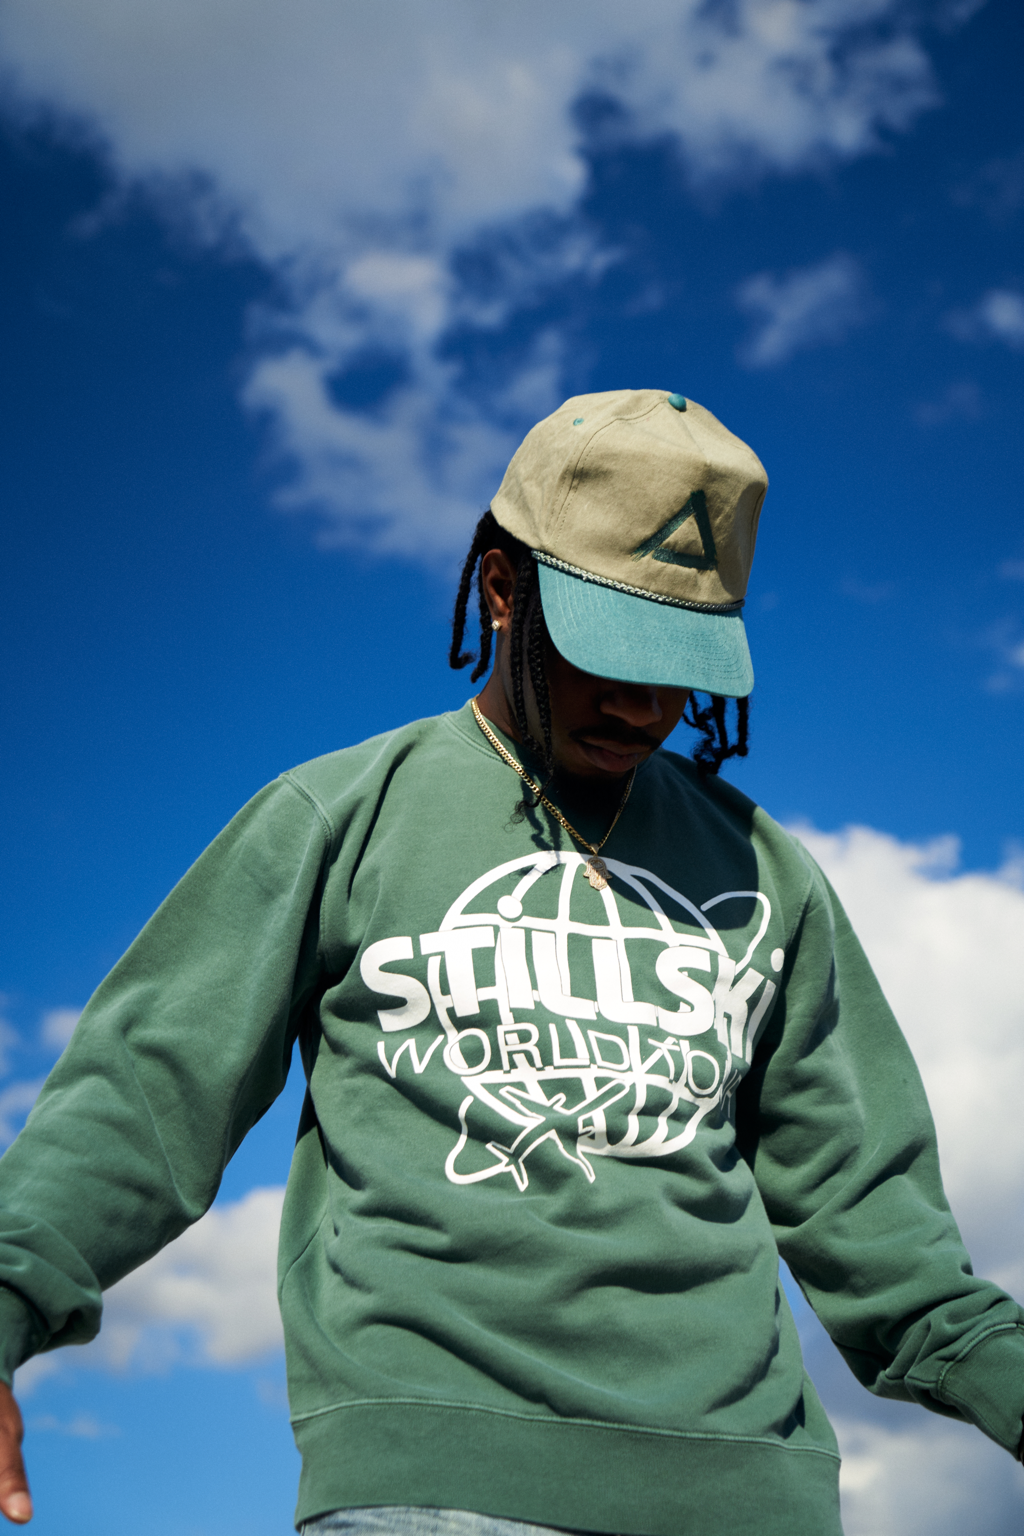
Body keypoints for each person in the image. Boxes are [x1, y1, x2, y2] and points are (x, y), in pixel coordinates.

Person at [0, 388, 1020, 1536]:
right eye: (610, 645)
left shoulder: (767, 873)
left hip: (749, 1496)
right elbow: (145, 1099)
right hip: (435, 1490)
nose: (643, 701)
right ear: (500, 590)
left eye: (678, 659)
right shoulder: (339, 816)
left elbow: (884, 1238)